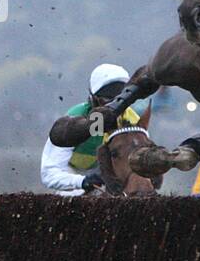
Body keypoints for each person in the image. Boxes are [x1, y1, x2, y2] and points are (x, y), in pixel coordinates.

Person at [41, 64, 149, 196]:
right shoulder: (74, 121)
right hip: (73, 177)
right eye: (108, 101)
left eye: (121, 101)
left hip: (109, 178)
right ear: (93, 99)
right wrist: (82, 181)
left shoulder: (132, 119)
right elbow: (48, 173)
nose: (116, 109)